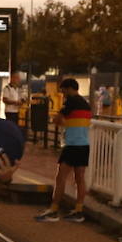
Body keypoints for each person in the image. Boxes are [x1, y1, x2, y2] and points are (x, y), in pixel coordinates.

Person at [35, 78, 92, 222]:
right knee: (80, 179)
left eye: (64, 90)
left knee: (61, 177)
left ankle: (54, 210)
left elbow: (57, 120)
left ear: (70, 88)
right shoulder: (86, 104)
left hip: (72, 145)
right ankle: (78, 211)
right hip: (84, 144)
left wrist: (61, 120)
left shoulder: (70, 101)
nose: (63, 93)